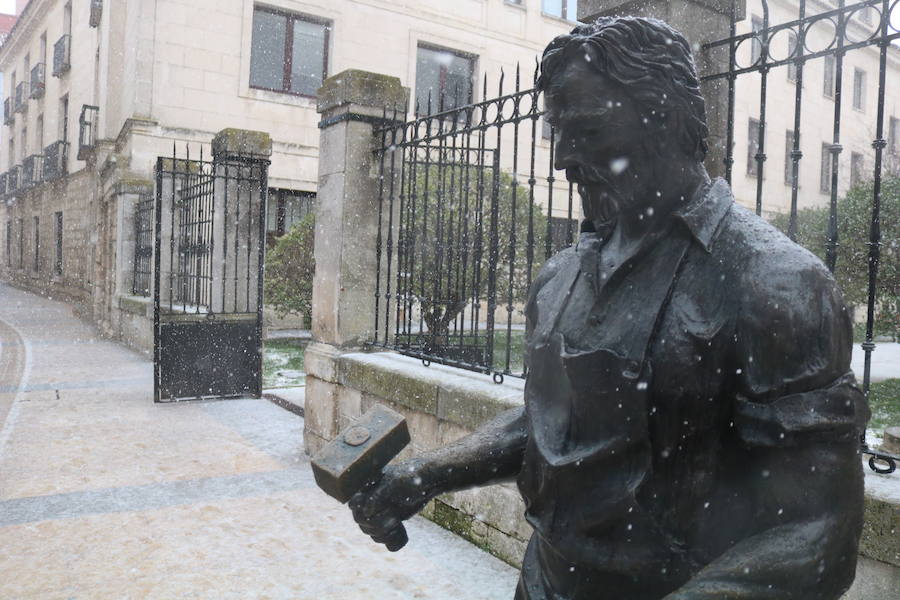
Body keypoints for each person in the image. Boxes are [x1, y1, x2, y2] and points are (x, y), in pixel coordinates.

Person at [349, 17, 869, 600]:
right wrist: (427, 473)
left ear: (666, 117)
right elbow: (552, 423)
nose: (563, 158)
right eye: (557, 131)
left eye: (589, 129)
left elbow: (820, 532)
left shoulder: (778, 285)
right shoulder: (561, 275)